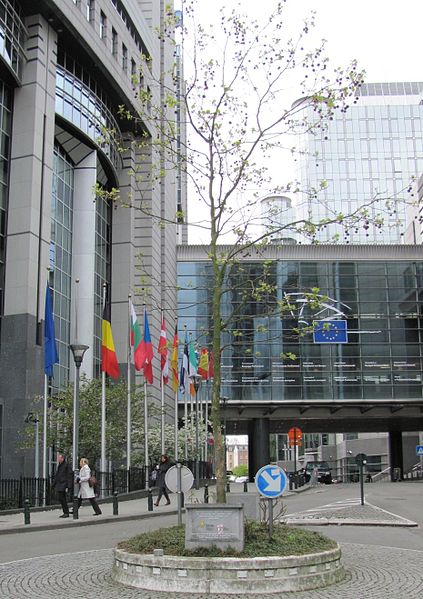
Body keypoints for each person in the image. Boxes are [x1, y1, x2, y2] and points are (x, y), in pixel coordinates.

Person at [53, 453, 73, 518]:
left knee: (63, 499)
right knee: (61, 499)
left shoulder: (66, 465)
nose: (58, 459)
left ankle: (66, 512)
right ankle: (65, 512)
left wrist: (68, 486)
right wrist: (54, 484)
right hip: (60, 484)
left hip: (63, 484)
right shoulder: (60, 465)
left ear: (62, 458)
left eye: (59, 458)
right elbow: (57, 475)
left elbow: (69, 476)